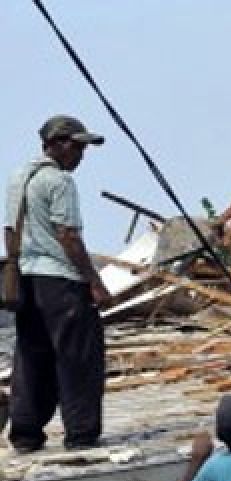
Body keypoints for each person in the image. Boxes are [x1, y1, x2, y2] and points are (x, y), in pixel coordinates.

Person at [5, 116, 113, 453]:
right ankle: (81, 434)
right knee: (78, 358)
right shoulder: (59, 182)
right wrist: (94, 281)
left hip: (28, 277)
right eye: (78, 146)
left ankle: (25, 432)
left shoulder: (17, 178)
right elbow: (68, 236)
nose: (81, 154)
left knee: (31, 355)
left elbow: (10, 232)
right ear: (59, 143)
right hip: (61, 280)